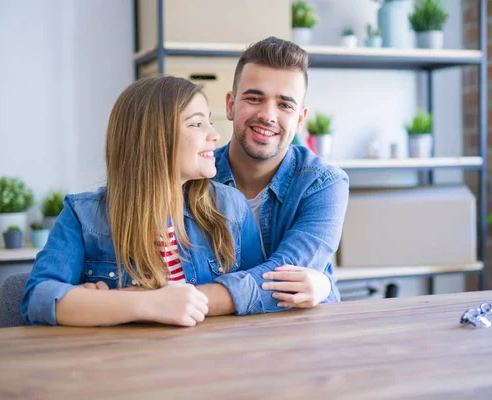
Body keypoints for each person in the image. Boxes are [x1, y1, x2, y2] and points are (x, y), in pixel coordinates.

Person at [21, 76, 264, 327]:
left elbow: (261, 287)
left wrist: (102, 302)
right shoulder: (83, 216)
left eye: (209, 122)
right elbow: (38, 298)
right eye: (197, 124)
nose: (214, 135)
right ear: (153, 138)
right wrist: (149, 303)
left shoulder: (231, 207)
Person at [195, 37, 350, 316]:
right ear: (230, 105)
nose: (267, 115)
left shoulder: (324, 183)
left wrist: (183, 301)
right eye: (254, 98)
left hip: (302, 338)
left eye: (284, 105)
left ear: (300, 120)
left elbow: (283, 281)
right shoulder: (194, 175)